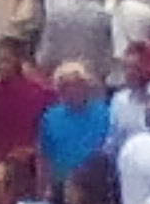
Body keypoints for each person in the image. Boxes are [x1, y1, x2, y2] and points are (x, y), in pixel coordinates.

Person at [0, 30, 52, 177]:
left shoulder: (42, 93)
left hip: (31, 169)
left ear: (19, 60)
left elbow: (48, 136)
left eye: (6, 61)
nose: (1, 66)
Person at [36, 58, 117, 188]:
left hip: (98, 186)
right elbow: (43, 157)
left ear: (87, 86)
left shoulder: (104, 113)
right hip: (62, 185)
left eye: (77, 84)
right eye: (65, 86)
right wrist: (43, 188)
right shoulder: (50, 117)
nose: (72, 90)